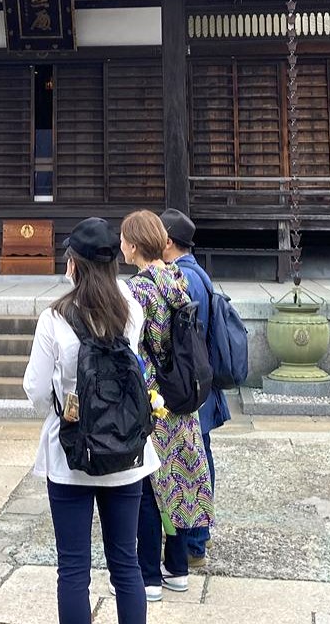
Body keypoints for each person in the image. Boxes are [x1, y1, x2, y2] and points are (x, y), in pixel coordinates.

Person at [22, 218, 159, 624]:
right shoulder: (131, 310)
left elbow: (34, 388)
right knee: (126, 562)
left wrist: (63, 410)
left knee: (73, 569)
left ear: (74, 265)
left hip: (71, 453)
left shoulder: (55, 318)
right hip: (126, 452)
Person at [120, 210, 214, 599]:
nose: (121, 245)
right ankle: (177, 568)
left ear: (135, 244)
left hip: (151, 397)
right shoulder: (178, 279)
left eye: (124, 238)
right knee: (176, 483)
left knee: (146, 488)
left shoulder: (136, 290)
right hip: (181, 394)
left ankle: (148, 575)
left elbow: (132, 348)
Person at [158, 208, 229, 571]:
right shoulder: (197, 273)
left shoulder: (181, 278)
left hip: (188, 384)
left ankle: (194, 542)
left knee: (191, 461)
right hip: (201, 381)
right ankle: (197, 536)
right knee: (199, 455)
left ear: (167, 241)